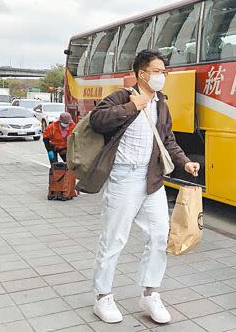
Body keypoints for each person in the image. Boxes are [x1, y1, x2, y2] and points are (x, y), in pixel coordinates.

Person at [85, 50, 200, 325]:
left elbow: (168, 140)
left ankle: (150, 293)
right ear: (142, 74)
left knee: (160, 235)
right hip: (123, 177)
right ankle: (102, 296)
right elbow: (97, 120)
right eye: (158, 71)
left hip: (151, 179)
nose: (162, 76)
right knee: (114, 238)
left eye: (164, 71)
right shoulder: (122, 97)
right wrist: (132, 107)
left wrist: (185, 163)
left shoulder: (161, 103)